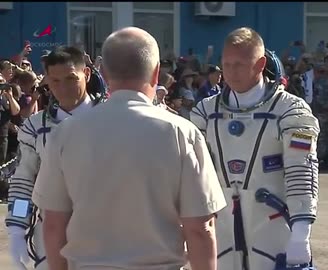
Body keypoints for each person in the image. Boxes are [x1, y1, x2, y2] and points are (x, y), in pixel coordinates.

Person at [31, 27, 226, 270]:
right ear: (156, 74)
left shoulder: (65, 133)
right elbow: (200, 228)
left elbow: (53, 224)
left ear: (101, 72)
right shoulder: (181, 132)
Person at [190, 27, 320, 270]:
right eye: (226, 64)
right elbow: (190, 176)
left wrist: (301, 233)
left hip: (273, 230)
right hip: (221, 233)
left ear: (260, 64)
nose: (230, 72)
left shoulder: (290, 111)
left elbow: (301, 171)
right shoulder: (205, 113)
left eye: (239, 64)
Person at [4, 46, 106, 270]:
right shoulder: (35, 126)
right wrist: (17, 229)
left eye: (71, 78)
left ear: (86, 74)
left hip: (107, 233)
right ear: (47, 80)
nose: (63, 88)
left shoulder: (114, 120)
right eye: (55, 81)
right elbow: (24, 181)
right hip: (50, 235)